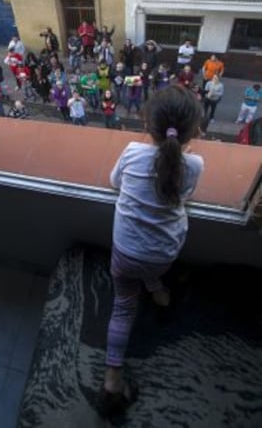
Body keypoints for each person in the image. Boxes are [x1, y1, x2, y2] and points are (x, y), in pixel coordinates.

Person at [99, 86, 204, 420]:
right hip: (163, 253)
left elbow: (114, 182)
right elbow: (184, 195)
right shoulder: (195, 165)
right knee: (154, 273)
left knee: (123, 305)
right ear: (195, 132)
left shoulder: (131, 152)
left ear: (146, 124)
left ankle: (112, 378)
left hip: (125, 250)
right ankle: (159, 294)